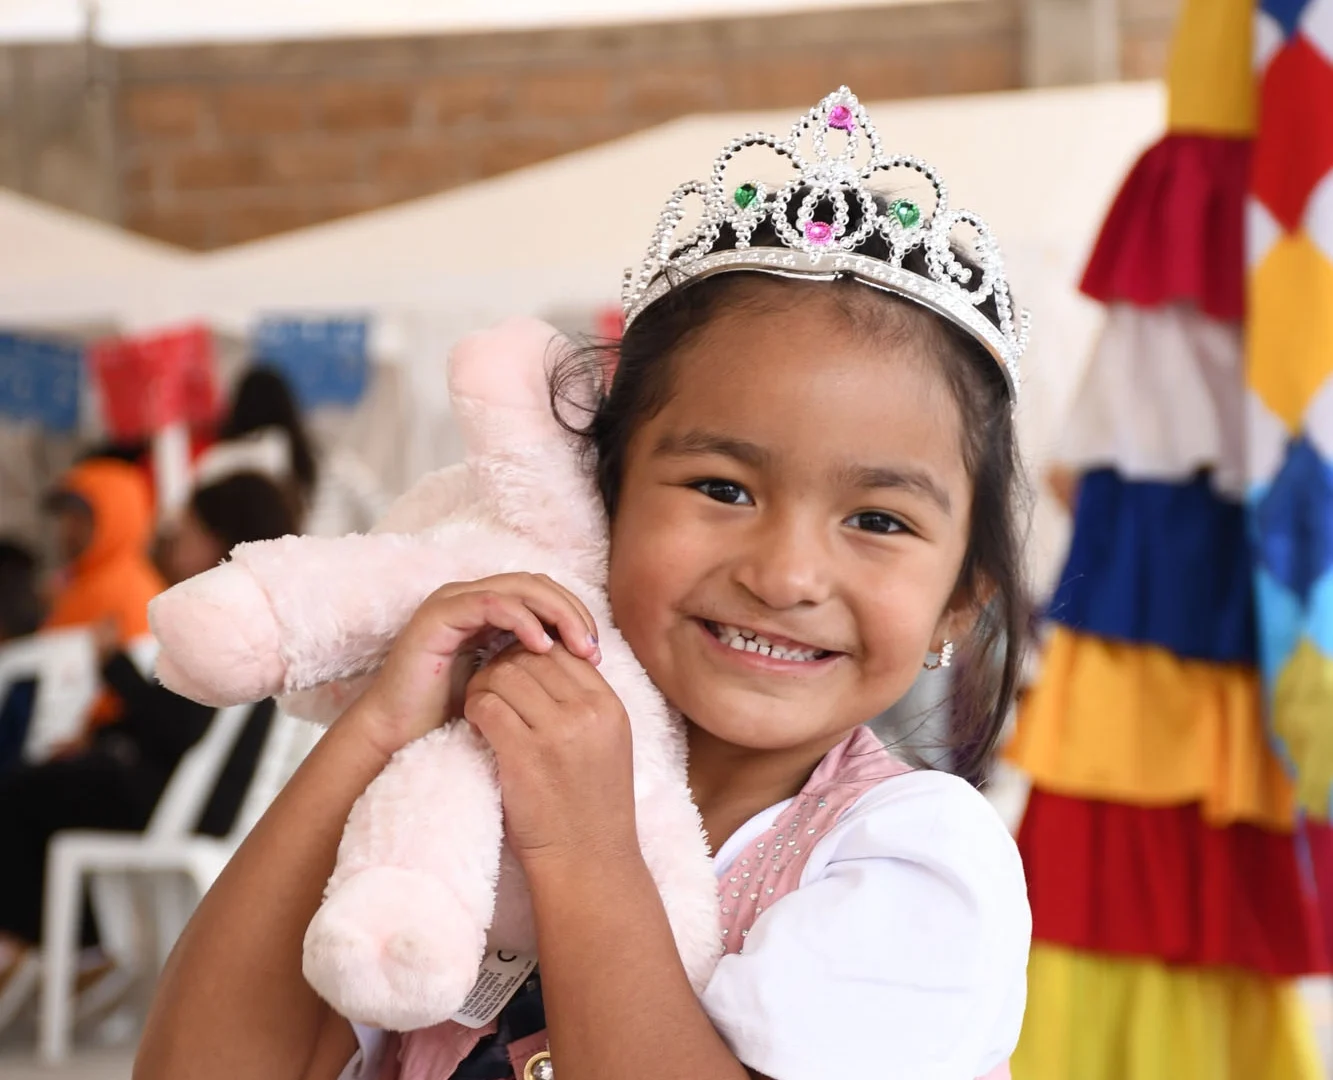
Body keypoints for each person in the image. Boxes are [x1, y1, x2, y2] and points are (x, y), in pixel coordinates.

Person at [135, 89, 1032, 1080]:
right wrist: (379, 733)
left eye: (877, 520)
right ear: (601, 505)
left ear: (961, 597)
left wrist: (584, 849)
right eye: (721, 488)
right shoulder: (465, 782)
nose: (784, 575)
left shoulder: (914, 857)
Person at [0, 473, 297, 998]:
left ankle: (54, 945)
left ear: (217, 538)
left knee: (18, 793)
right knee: (39, 790)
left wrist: (113, 666)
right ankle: (70, 945)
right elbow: (176, 715)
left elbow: (178, 727)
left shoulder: (219, 614)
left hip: (182, 799)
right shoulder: (259, 608)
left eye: (184, 534)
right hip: (193, 792)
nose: (170, 544)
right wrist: (103, 733)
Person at [196, 366, 387, 538]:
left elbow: (191, 525)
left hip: (251, 568)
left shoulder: (220, 461)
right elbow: (380, 506)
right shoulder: (328, 459)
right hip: (324, 564)